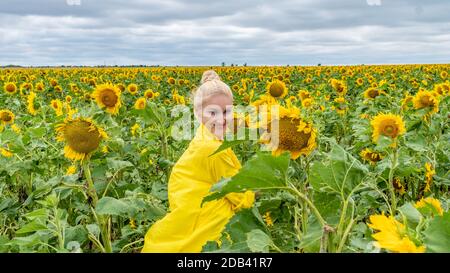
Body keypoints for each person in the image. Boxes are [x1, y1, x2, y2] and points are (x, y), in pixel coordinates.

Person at [141, 70, 255, 253]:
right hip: (210, 221)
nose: (221, 118)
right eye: (212, 112)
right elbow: (239, 193)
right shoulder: (213, 149)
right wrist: (258, 192)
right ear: (197, 113)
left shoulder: (205, 136)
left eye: (226, 111)